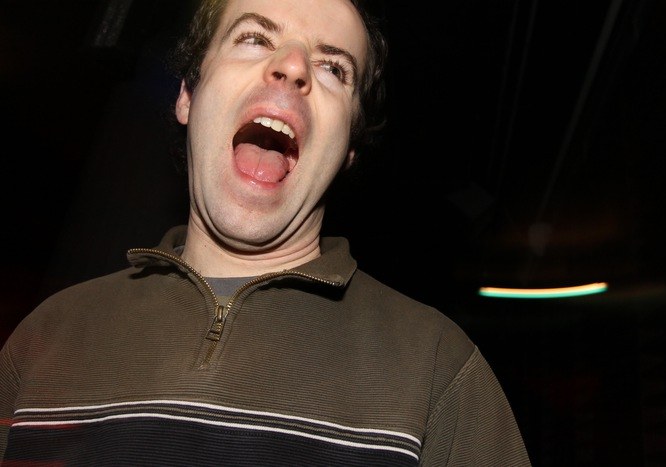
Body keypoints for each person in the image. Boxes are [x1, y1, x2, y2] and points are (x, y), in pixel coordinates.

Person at [0, 0, 531, 465]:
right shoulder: (45, 338)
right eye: (254, 38)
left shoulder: (437, 368)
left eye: (333, 68)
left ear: (348, 146)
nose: (293, 66)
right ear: (188, 95)